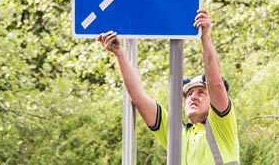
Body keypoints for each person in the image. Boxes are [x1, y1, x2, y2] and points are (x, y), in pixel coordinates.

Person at [96, 9, 240, 164]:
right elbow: (138, 97)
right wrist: (119, 53)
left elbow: (216, 84)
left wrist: (205, 37)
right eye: (189, 93)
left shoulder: (221, 125)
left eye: (201, 92)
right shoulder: (176, 133)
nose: (193, 97)